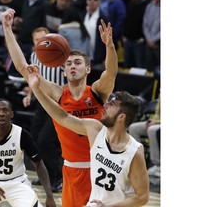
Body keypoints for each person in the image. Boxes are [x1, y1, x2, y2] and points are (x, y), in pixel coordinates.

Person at [2, 8, 118, 206]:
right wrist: (7, 29)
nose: (73, 66)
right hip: (71, 168)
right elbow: (23, 69)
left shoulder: (97, 92)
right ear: (64, 71)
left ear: (88, 69)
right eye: (69, 63)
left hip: (100, 168)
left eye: (78, 63)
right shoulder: (58, 94)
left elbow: (111, 72)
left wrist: (110, 46)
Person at [27, 69, 150, 206]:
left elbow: (142, 196)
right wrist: (36, 89)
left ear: (121, 117)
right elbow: (62, 116)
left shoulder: (134, 152)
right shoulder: (95, 130)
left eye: (112, 104)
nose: (106, 105)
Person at [0, 98, 56, 207]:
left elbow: (39, 164)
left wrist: (49, 196)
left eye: (5, 110)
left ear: (12, 114)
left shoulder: (22, 134)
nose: (1, 114)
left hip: (17, 183)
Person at [22, 27, 65, 192]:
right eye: (36, 40)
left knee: (45, 140)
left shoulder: (59, 54)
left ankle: (59, 177)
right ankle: (47, 177)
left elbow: (72, 78)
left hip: (57, 103)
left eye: (43, 39)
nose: (40, 43)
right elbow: (33, 77)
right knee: (33, 138)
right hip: (41, 101)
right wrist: (29, 95)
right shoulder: (34, 56)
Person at [128, 94, 160, 177]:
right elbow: (157, 112)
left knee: (152, 130)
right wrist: (154, 119)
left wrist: (158, 121)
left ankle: (156, 164)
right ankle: (137, 159)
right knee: (133, 128)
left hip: (159, 123)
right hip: (157, 121)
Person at [122, 0, 148, 69]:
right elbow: (124, 20)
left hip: (139, 42)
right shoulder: (129, 4)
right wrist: (123, 36)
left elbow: (148, 23)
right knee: (126, 68)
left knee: (140, 68)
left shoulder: (147, 5)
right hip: (127, 41)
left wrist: (143, 38)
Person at [82, 0, 108, 66]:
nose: (92, 1)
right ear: (86, 0)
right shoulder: (81, 15)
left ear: (99, 2)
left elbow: (108, 40)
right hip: (83, 57)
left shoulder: (104, 18)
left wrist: (105, 58)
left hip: (98, 59)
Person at [142, 0, 160, 72]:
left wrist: (154, 39)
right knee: (148, 70)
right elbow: (145, 24)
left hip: (159, 44)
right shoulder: (149, 6)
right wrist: (149, 39)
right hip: (148, 43)